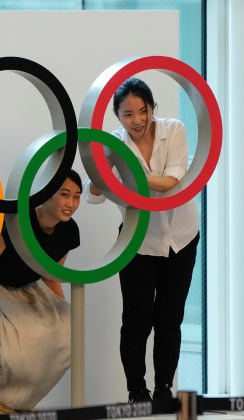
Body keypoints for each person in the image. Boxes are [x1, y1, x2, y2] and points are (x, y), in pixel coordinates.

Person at [84, 77, 200, 403]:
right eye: (127, 114)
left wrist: (125, 178)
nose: (137, 120)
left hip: (181, 236)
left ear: (152, 108)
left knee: (170, 318)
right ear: (117, 116)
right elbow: (94, 194)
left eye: (142, 111)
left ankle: (164, 389)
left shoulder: (174, 129)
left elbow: (172, 182)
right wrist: (103, 171)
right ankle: (137, 391)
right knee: (136, 321)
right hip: (137, 240)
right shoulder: (112, 143)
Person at [0, 170, 82, 414]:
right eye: (64, 194)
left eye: (77, 197)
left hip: (27, 286)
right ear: (46, 194)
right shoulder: (17, 221)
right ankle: (4, 399)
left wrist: (61, 314)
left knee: (70, 336)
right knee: (27, 342)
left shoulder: (69, 231)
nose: (71, 204)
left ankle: (13, 402)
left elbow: (50, 275)